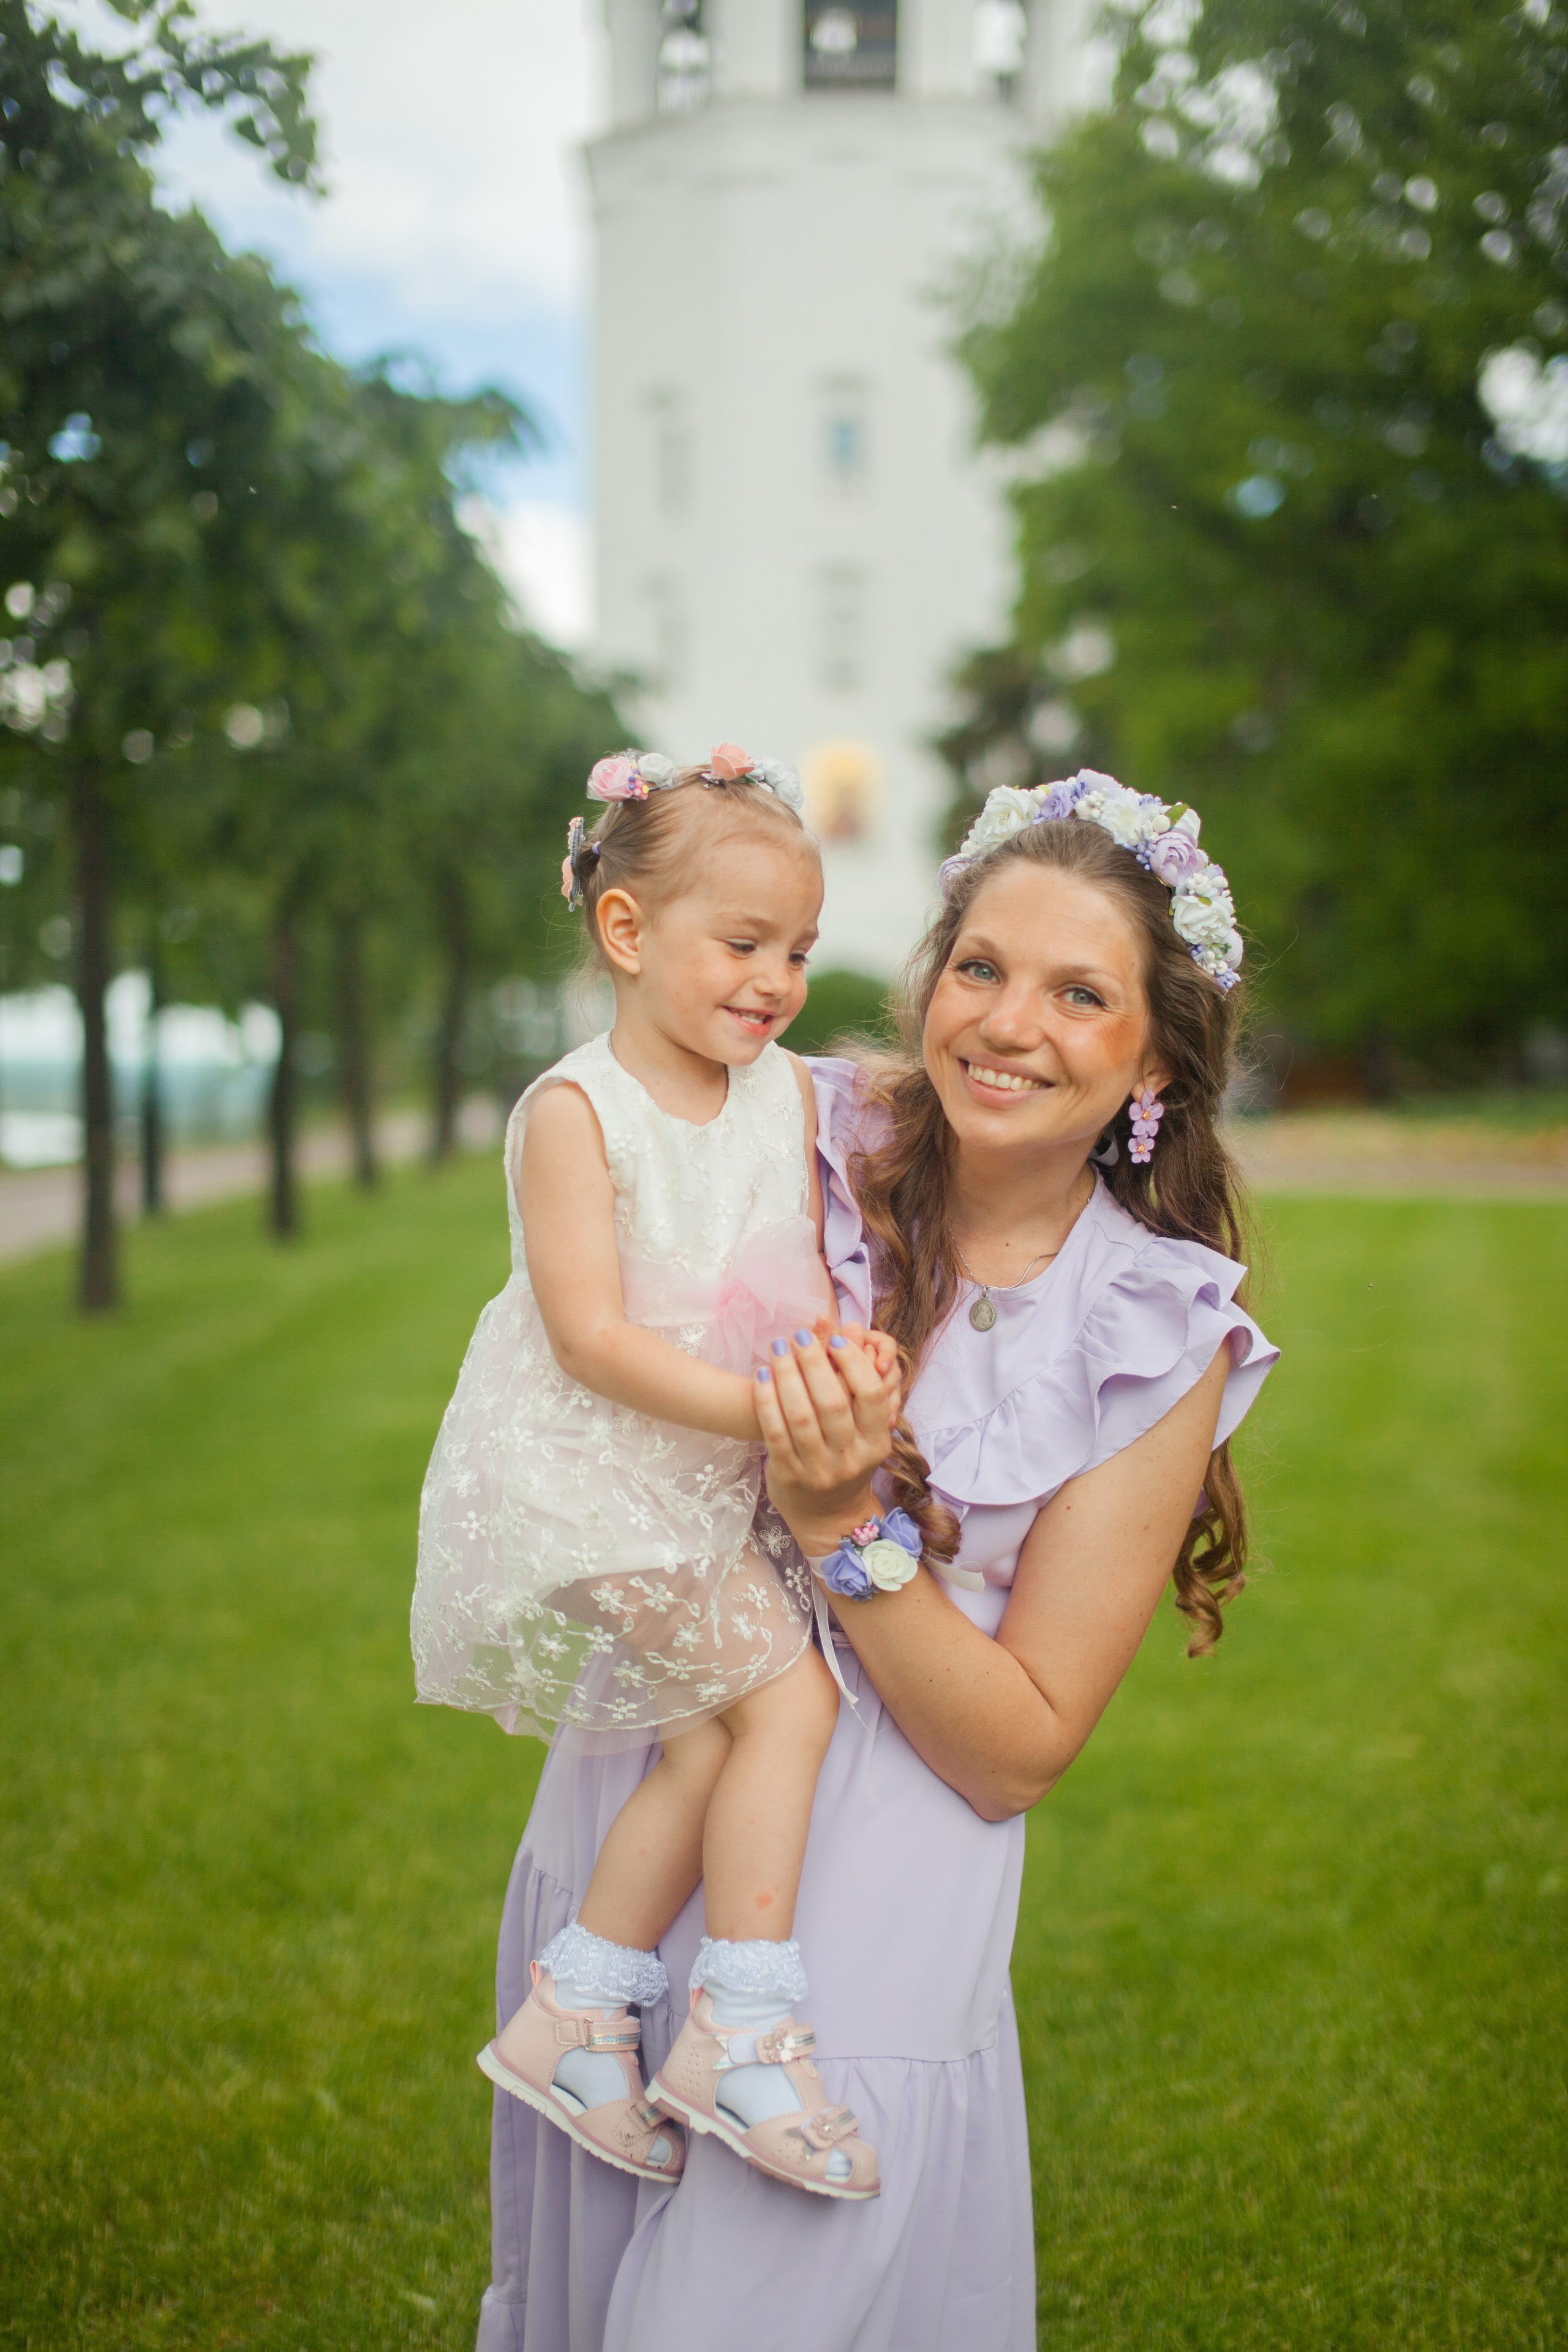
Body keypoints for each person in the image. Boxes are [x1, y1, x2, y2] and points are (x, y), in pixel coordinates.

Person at [474, 768, 1280, 2352]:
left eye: (1080, 994)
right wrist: (683, 813)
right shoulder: (797, 1125)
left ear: (1155, 1062)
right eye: (979, 967)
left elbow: (1016, 1751)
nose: (1008, 1024)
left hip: (875, 1920)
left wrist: (846, 1526)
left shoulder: (1153, 1327)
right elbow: (625, 1074)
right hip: (649, 1812)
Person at [412, 742, 903, 2199]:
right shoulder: (580, 1111)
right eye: (743, 944)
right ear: (625, 931)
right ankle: (740, 2033)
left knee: (705, 1746)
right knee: (791, 1701)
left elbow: (796, 1266)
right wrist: (768, 1412)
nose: (777, 980)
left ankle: (575, 2015)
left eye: (798, 950)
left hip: (690, 1479)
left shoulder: (781, 1096)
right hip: (589, 1480)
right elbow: (592, 1339)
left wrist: (840, 1361)